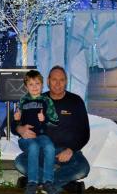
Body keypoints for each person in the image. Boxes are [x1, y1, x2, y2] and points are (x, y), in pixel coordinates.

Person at [15, 66, 90, 194]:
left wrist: (71, 149)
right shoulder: (36, 99)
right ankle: (66, 185)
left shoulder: (76, 101)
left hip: (67, 152)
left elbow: (85, 133)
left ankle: (37, 182)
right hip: (42, 152)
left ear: (66, 81)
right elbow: (16, 124)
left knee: (83, 168)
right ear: (48, 81)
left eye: (61, 80)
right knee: (20, 162)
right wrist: (20, 129)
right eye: (54, 80)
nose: (58, 84)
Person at [15, 70, 59, 194]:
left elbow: (55, 120)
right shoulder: (23, 101)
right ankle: (32, 182)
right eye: (31, 84)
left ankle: (48, 182)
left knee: (50, 147)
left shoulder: (46, 100)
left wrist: (45, 119)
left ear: (42, 84)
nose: (34, 87)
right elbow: (16, 125)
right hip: (26, 138)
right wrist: (17, 119)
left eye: (37, 84)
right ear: (26, 86)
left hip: (41, 135)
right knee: (33, 146)